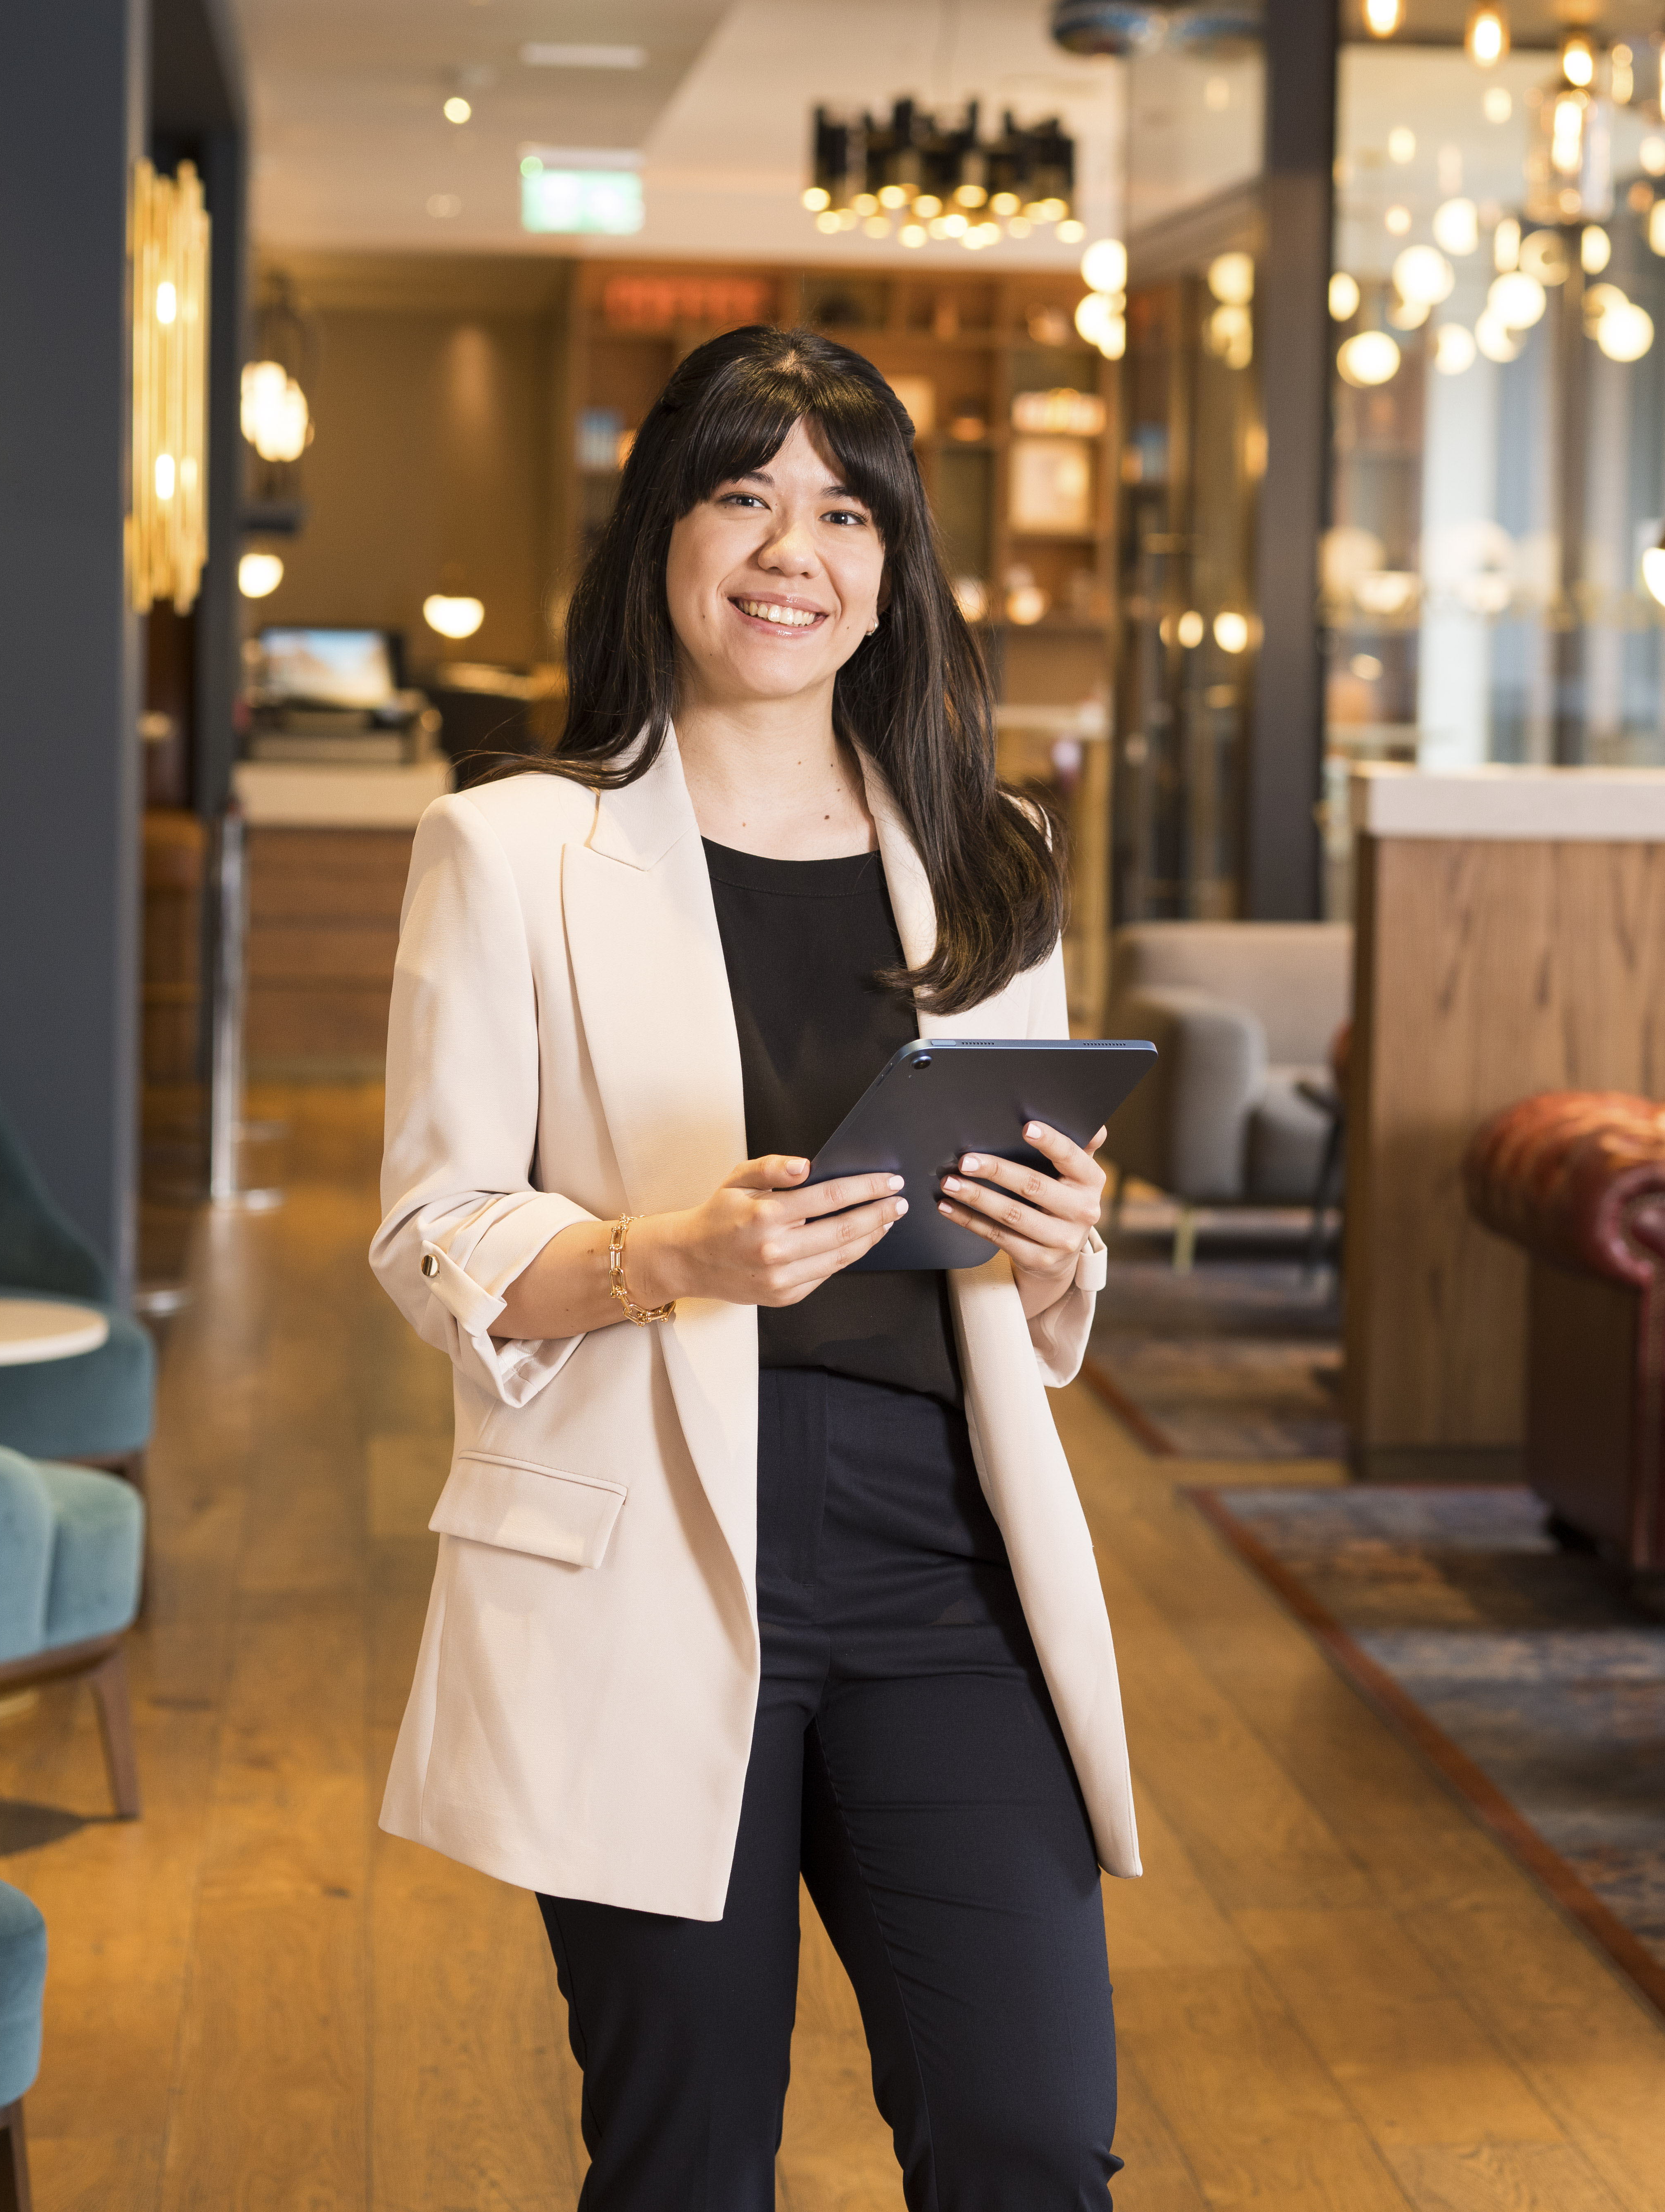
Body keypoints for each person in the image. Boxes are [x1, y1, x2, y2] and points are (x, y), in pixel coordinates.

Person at [369, 324, 1133, 2210]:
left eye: (845, 510)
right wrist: (663, 1255)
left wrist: (1058, 1257)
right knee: (685, 2159)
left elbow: (1024, 1289)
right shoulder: (512, 850)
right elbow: (435, 1230)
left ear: (891, 573)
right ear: (664, 540)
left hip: (947, 1552)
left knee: (1032, 2134)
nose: (795, 548)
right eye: (744, 495)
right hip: (648, 1535)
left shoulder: (992, 858)